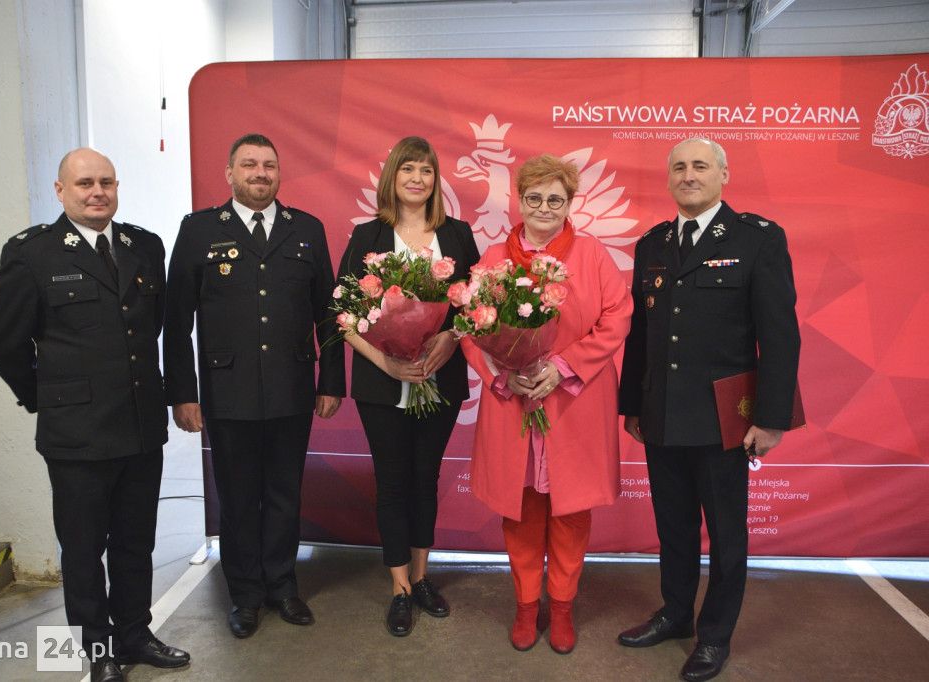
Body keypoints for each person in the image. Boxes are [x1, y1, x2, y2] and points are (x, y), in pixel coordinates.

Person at [0, 148, 190, 682]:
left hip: (140, 426)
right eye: (84, 184)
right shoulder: (32, 254)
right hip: (76, 434)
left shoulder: (143, 245)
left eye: (106, 182)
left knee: (135, 542)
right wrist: (47, 396)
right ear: (60, 191)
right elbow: (2, 343)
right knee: (83, 549)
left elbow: (153, 329)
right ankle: (98, 650)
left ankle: (135, 634)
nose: (97, 192)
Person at [617, 138, 800, 682]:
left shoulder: (757, 239)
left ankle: (714, 635)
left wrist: (771, 418)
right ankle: (676, 613)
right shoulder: (652, 243)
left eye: (700, 166)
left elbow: (780, 336)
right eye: (679, 167)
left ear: (724, 174)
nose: (688, 175)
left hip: (726, 420)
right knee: (672, 527)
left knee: (725, 535)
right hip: (662, 413)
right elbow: (641, 334)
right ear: (668, 178)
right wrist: (633, 405)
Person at [164, 133, 345, 639]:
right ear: (230, 173)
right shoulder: (199, 230)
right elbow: (176, 321)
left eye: (268, 164)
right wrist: (182, 393)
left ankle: (283, 586)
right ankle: (244, 594)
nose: (260, 173)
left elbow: (328, 314)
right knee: (239, 497)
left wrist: (331, 380)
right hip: (228, 391)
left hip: (291, 387)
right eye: (249, 164)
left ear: (279, 173)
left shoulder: (305, 229)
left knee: (285, 493)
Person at [461, 154, 632, 654]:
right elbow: (470, 326)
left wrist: (562, 366)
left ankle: (561, 607)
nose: (543, 208)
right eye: (534, 197)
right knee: (520, 512)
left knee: (570, 512)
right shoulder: (494, 257)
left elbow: (617, 318)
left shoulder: (592, 254)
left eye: (555, 199)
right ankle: (524, 605)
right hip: (513, 402)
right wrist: (504, 375)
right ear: (519, 200)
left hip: (574, 403)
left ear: (570, 203)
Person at [337, 136, 480, 636]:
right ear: (392, 177)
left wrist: (449, 338)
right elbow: (343, 314)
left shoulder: (458, 234)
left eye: (426, 170)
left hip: (440, 381)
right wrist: (387, 362)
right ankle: (398, 587)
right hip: (383, 385)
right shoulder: (368, 235)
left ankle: (421, 578)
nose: (417, 178)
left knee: (425, 478)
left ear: (436, 180)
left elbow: (474, 305)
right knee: (393, 482)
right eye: (408, 169)